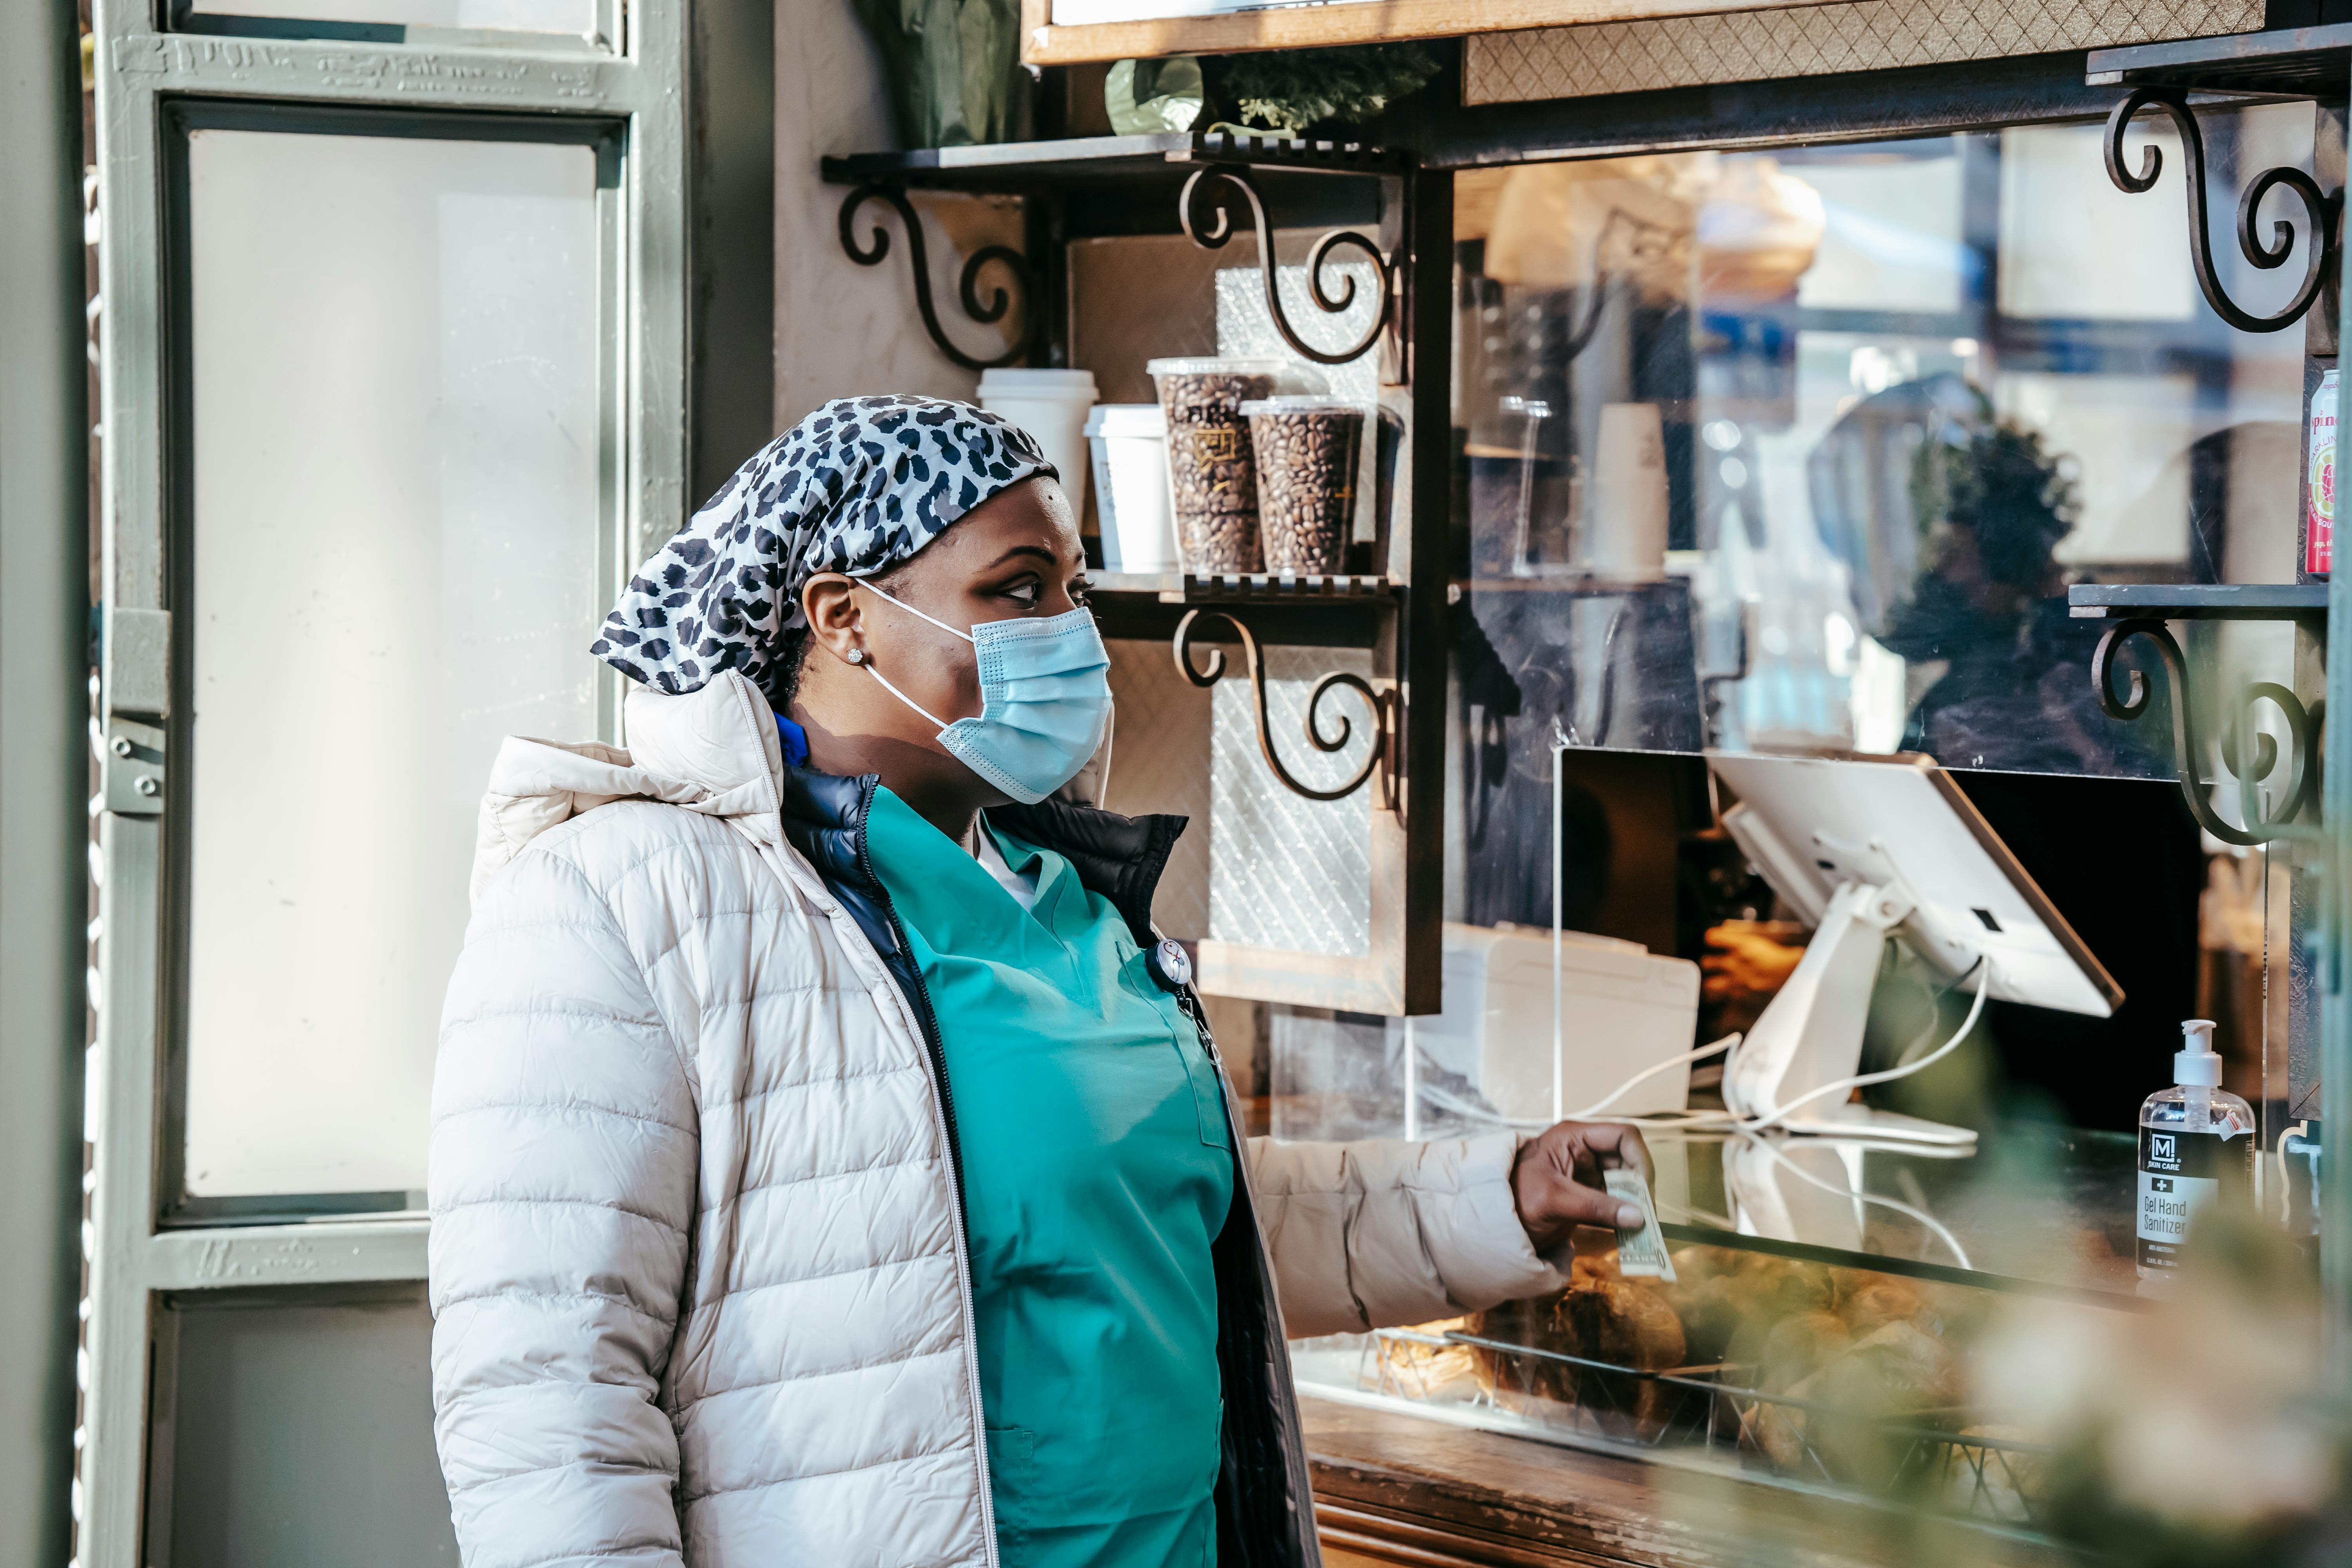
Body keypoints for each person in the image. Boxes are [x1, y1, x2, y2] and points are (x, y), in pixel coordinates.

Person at [428, 395, 1651, 1568]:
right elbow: (548, 1401)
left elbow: (1165, 1215)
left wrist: (1499, 1199)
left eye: (1074, 588)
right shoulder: (626, 903)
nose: (1072, 631)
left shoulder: (1065, 898)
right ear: (841, 613)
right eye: (1018, 592)